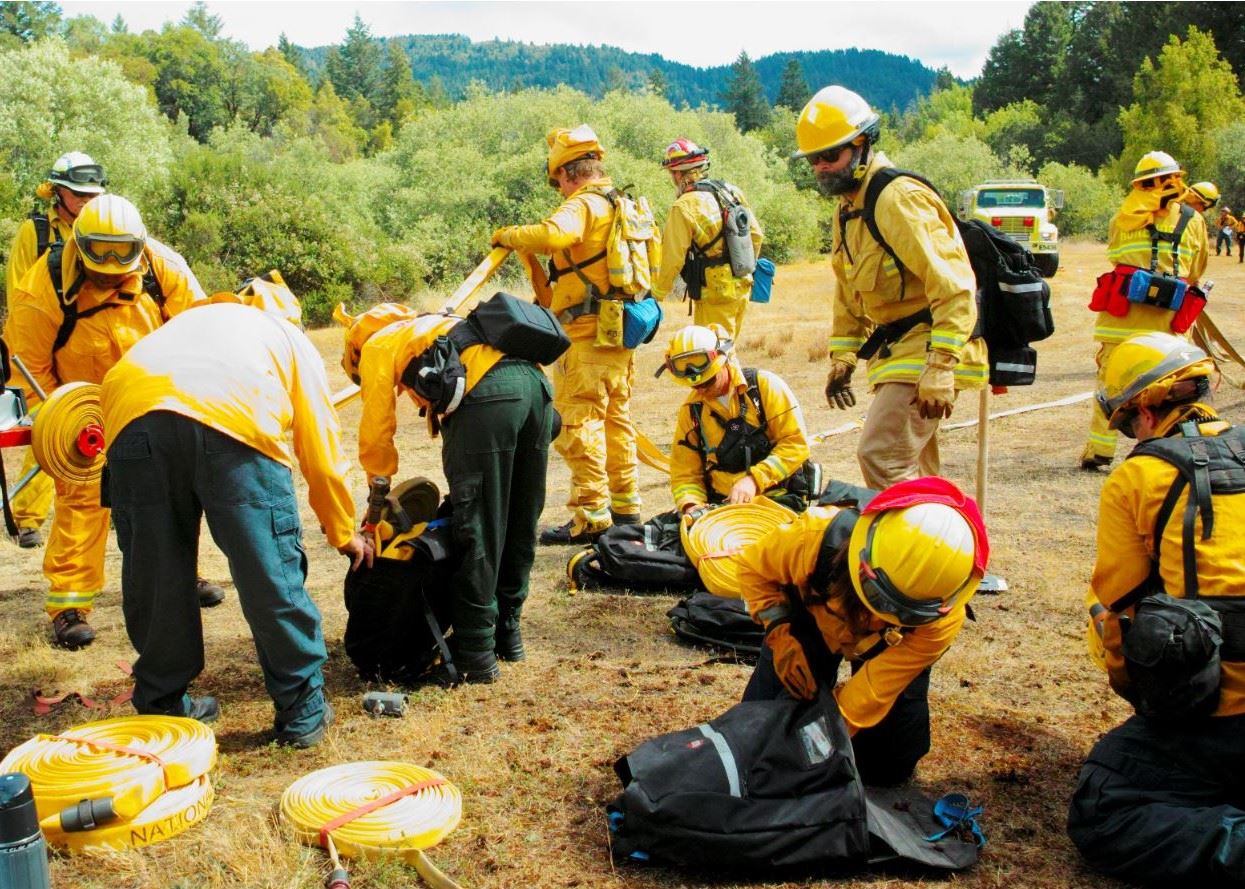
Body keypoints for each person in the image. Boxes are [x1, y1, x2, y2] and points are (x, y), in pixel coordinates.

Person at [99, 300, 368, 745]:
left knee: (155, 575)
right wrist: (343, 532)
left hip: (131, 417)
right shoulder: (289, 339)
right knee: (267, 569)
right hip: (233, 421)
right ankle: (302, 710)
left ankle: (161, 708)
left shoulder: (181, 325)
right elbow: (321, 449)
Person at [1068, 331, 1245, 884]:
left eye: (1124, 422)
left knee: (1105, 809)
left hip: (1217, 717)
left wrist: (1145, 694)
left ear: (1145, 410)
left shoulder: (1138, 478)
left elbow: (1120, 617)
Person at [5, 194, 208, 648]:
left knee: (173, 494)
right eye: (102, 254)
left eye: (123, 254)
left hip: (155, 400)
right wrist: (57, 420)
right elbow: (28, 370)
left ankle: (184, 579)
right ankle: (69, 604)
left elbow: (199, 329)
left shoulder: (164, 267)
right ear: (80, 244)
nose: (113, 265)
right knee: (81, 500)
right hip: (82, 408)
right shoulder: (42, 290)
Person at [342, 303, 553, 684]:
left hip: (487, 400)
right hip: (536, 389)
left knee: (478, 526)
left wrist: (376, 503)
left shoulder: (378, 344)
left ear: (355, 345)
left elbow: (377, 426)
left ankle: (476, 653)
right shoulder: (441, 324)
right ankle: (509, 634)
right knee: (520, 518)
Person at [738, 476, 988, 785]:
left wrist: (822, 734)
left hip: (889, 647)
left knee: (887, 766)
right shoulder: (813, 537)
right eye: (880, 598)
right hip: (812, 622)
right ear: (862, 560)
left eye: (902, 611)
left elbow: (870, 691)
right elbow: (752, 569)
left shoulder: (944, 617)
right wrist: (779, 630)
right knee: (756, 737)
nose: (882, 615)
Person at [796, 85, 987, 489]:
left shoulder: (896, 198)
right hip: (898, 347)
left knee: (882, 455)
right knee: (917, 469)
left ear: (863, 144)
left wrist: (941, 366)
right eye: (814, 159)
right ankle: (941, 547)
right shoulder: (849, 208)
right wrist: (843, 356)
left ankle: (905, 550)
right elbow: (848, 288)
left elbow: (953, 284)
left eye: (831, 155)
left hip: (931, 344)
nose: (821, 167)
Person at [491, 125, 642, 544]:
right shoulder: (623, 203)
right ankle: (627, 510)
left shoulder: (585, 204)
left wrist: (509, 236)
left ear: (569, 172)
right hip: (617, 332)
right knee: (617, 423)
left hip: (585, 336)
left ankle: (593, 519)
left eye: (557, 180)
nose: (558, 189)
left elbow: (554, 234)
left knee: (579, 424)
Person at [1080, 150, 1208, 470]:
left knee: (1110, 381)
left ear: (1140, 183)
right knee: (1174, 384)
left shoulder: (1122, 218)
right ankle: (1175, 447)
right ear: (1177, 179)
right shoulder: (1194, 222)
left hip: (1121, 322)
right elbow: (1195, 271)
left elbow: (1115, 257)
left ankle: (1100, 450)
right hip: (1168, 325)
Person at [4, 152, 106, 550]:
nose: (86, 201)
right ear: (58, 191)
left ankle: (116, 504)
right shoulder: (37, 231)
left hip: (94, 349)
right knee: (49, 431)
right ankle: (28, 518)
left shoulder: (104, 228)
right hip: (47, 352)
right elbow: (20, 295)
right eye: (79, 194)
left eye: (92, 195)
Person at [660, 324, 816, 514]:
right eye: (695, 387)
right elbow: (685, 473)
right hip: (720, 507)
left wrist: (754, 480)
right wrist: (692, 507)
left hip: (776, 498)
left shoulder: (765, 388)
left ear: (724, 361)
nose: (701, 390)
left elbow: (796, 445)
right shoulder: (692, 411)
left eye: (708, 381)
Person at [650, 139, 764, 340]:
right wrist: (742, 267)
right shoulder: (730, 191)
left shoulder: (684, 206)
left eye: (671, 173)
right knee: (727, 353)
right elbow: (755, 234)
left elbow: (672, 258)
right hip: (743, 286)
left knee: (712, 359)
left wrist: (655, 296)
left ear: (678, 173)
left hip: (715, 295)